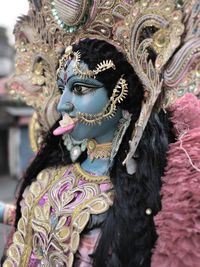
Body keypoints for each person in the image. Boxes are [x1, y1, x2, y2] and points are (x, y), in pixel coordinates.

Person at [1, 0, 200, 266]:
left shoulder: (157, 187)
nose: (63, 105)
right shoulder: (50, 173)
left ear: (121, 94)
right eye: (63, 90)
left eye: (80, 89)